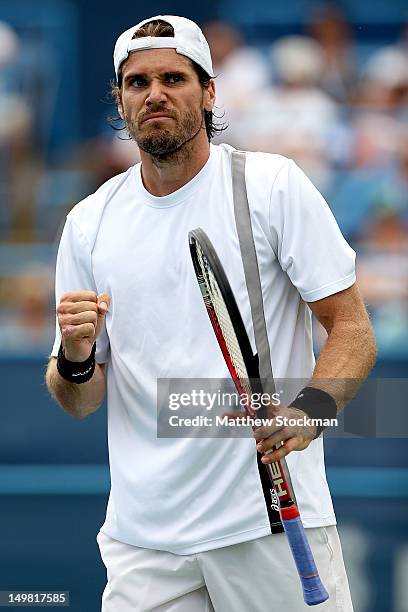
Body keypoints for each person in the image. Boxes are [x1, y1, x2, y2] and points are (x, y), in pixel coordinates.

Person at [45, 15, 376, 612]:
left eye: (174, 78)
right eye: (138, 82)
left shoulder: (273, 186)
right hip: (144, 540)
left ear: (210, 90)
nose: (155, 94)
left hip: (268, 521)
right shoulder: (88, 223)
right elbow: (80, 399)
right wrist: (73, 357)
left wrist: (313, 410)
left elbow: (352, 327)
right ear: (119, 99)